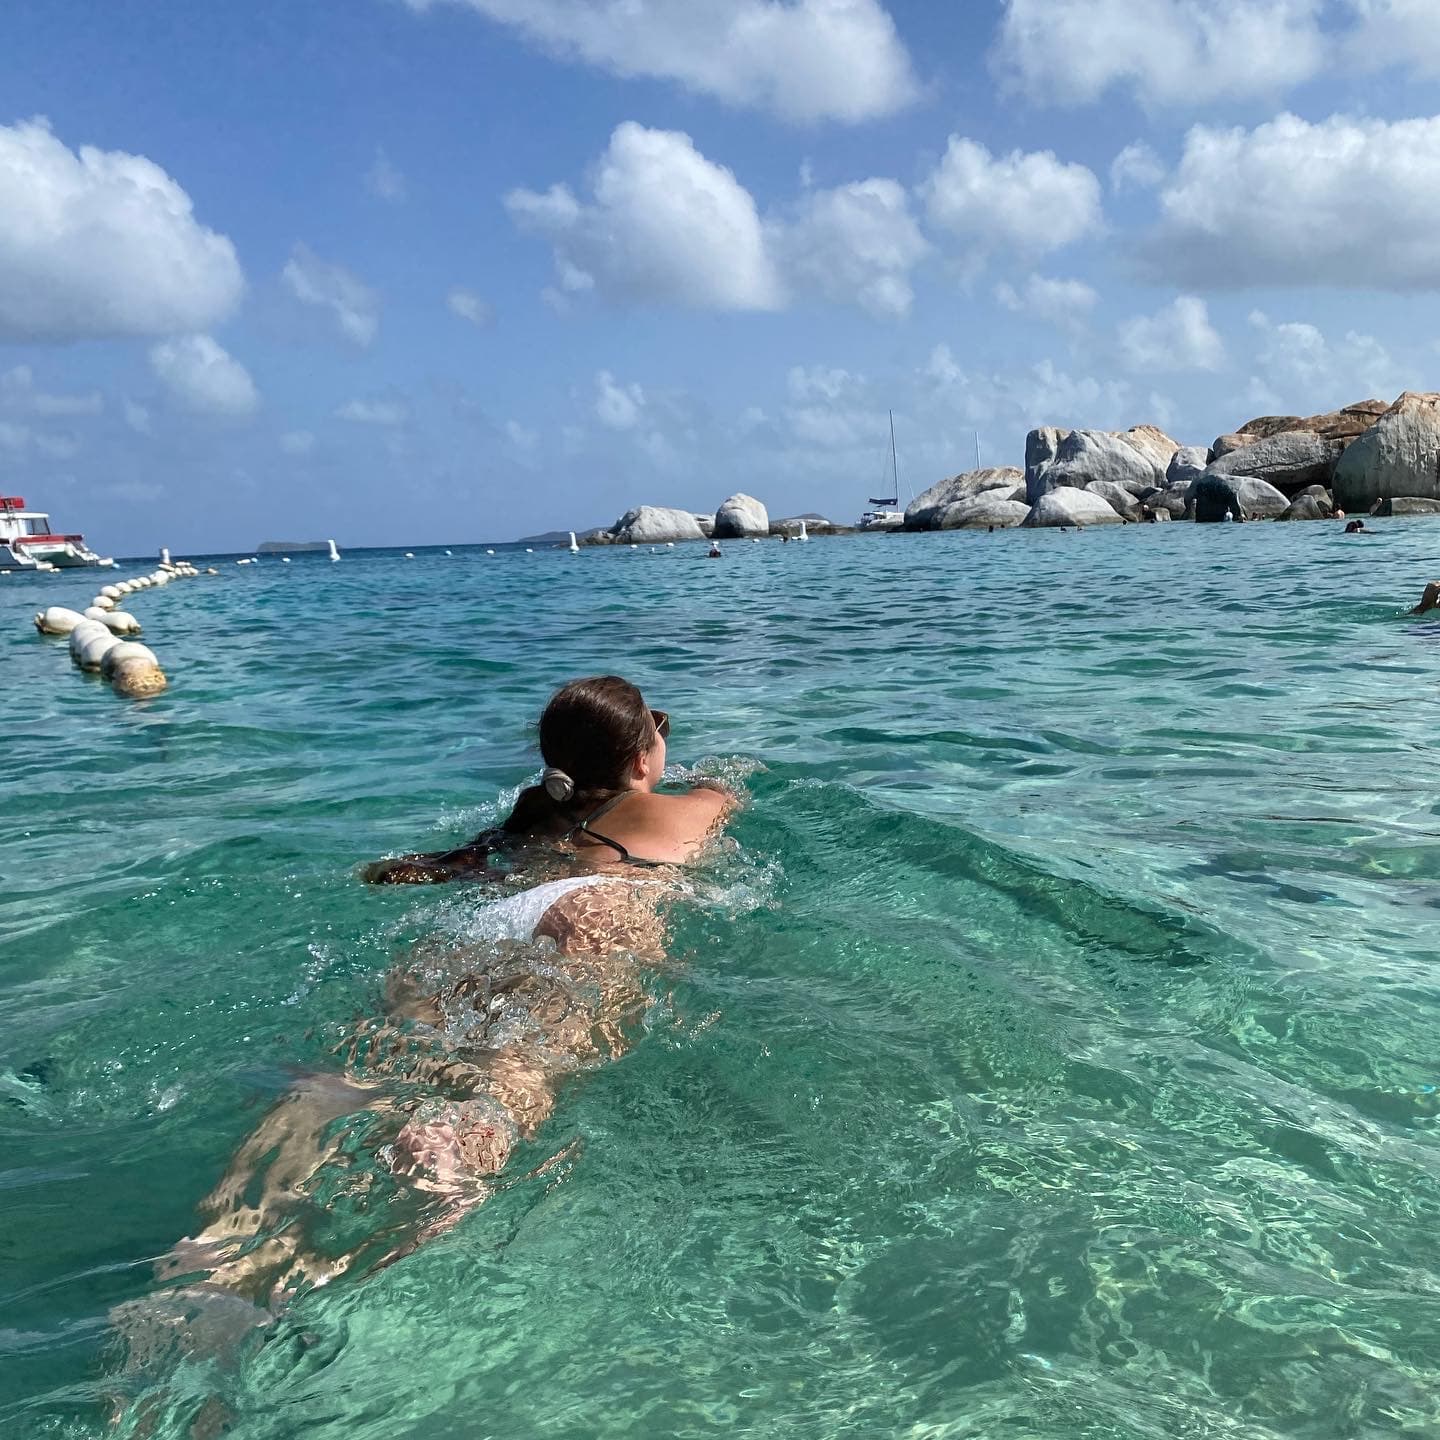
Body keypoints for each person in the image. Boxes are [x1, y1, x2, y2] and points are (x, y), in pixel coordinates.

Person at [154, 677, 736, 1311]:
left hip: (485, 924)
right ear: (640, 759)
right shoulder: (684, 807)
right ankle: (456, 1141)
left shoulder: (522, 826)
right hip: (593, 910)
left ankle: (221, 1240)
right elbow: (723, 787)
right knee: (524, 1066)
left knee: (358, 1069)